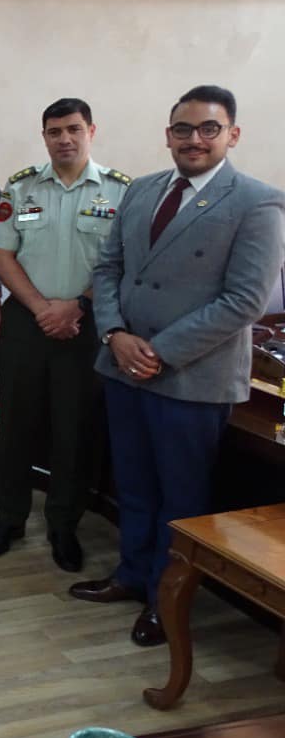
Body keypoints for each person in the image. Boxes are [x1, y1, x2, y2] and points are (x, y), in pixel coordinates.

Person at [71, 85, 285, 647]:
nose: (195, 139)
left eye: (209, 129)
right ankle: (132, 575)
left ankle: (166, 603)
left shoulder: (258, 202)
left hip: (190, 378)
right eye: (183, 129)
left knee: (180, 499)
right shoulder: (142, 189)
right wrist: (115, 334)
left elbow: (244, 301)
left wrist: (158, 351)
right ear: (168, 135)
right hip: (123, 367)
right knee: (133, 484)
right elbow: (109, 268)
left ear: (232, 134)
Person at [0, 98, 131, 572]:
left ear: (91, 131)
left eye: (73, 129)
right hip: (28, 322)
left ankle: (63, 524)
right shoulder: (21, 186)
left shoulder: (121, 192)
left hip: (87, 324)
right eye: (54, 131)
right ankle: (9, 516)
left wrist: (76, 305)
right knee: (15, 425)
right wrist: (43, 308)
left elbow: (122, 263)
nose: (64, 138)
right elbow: (2, 255)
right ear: (44, 136)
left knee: (75, 429)